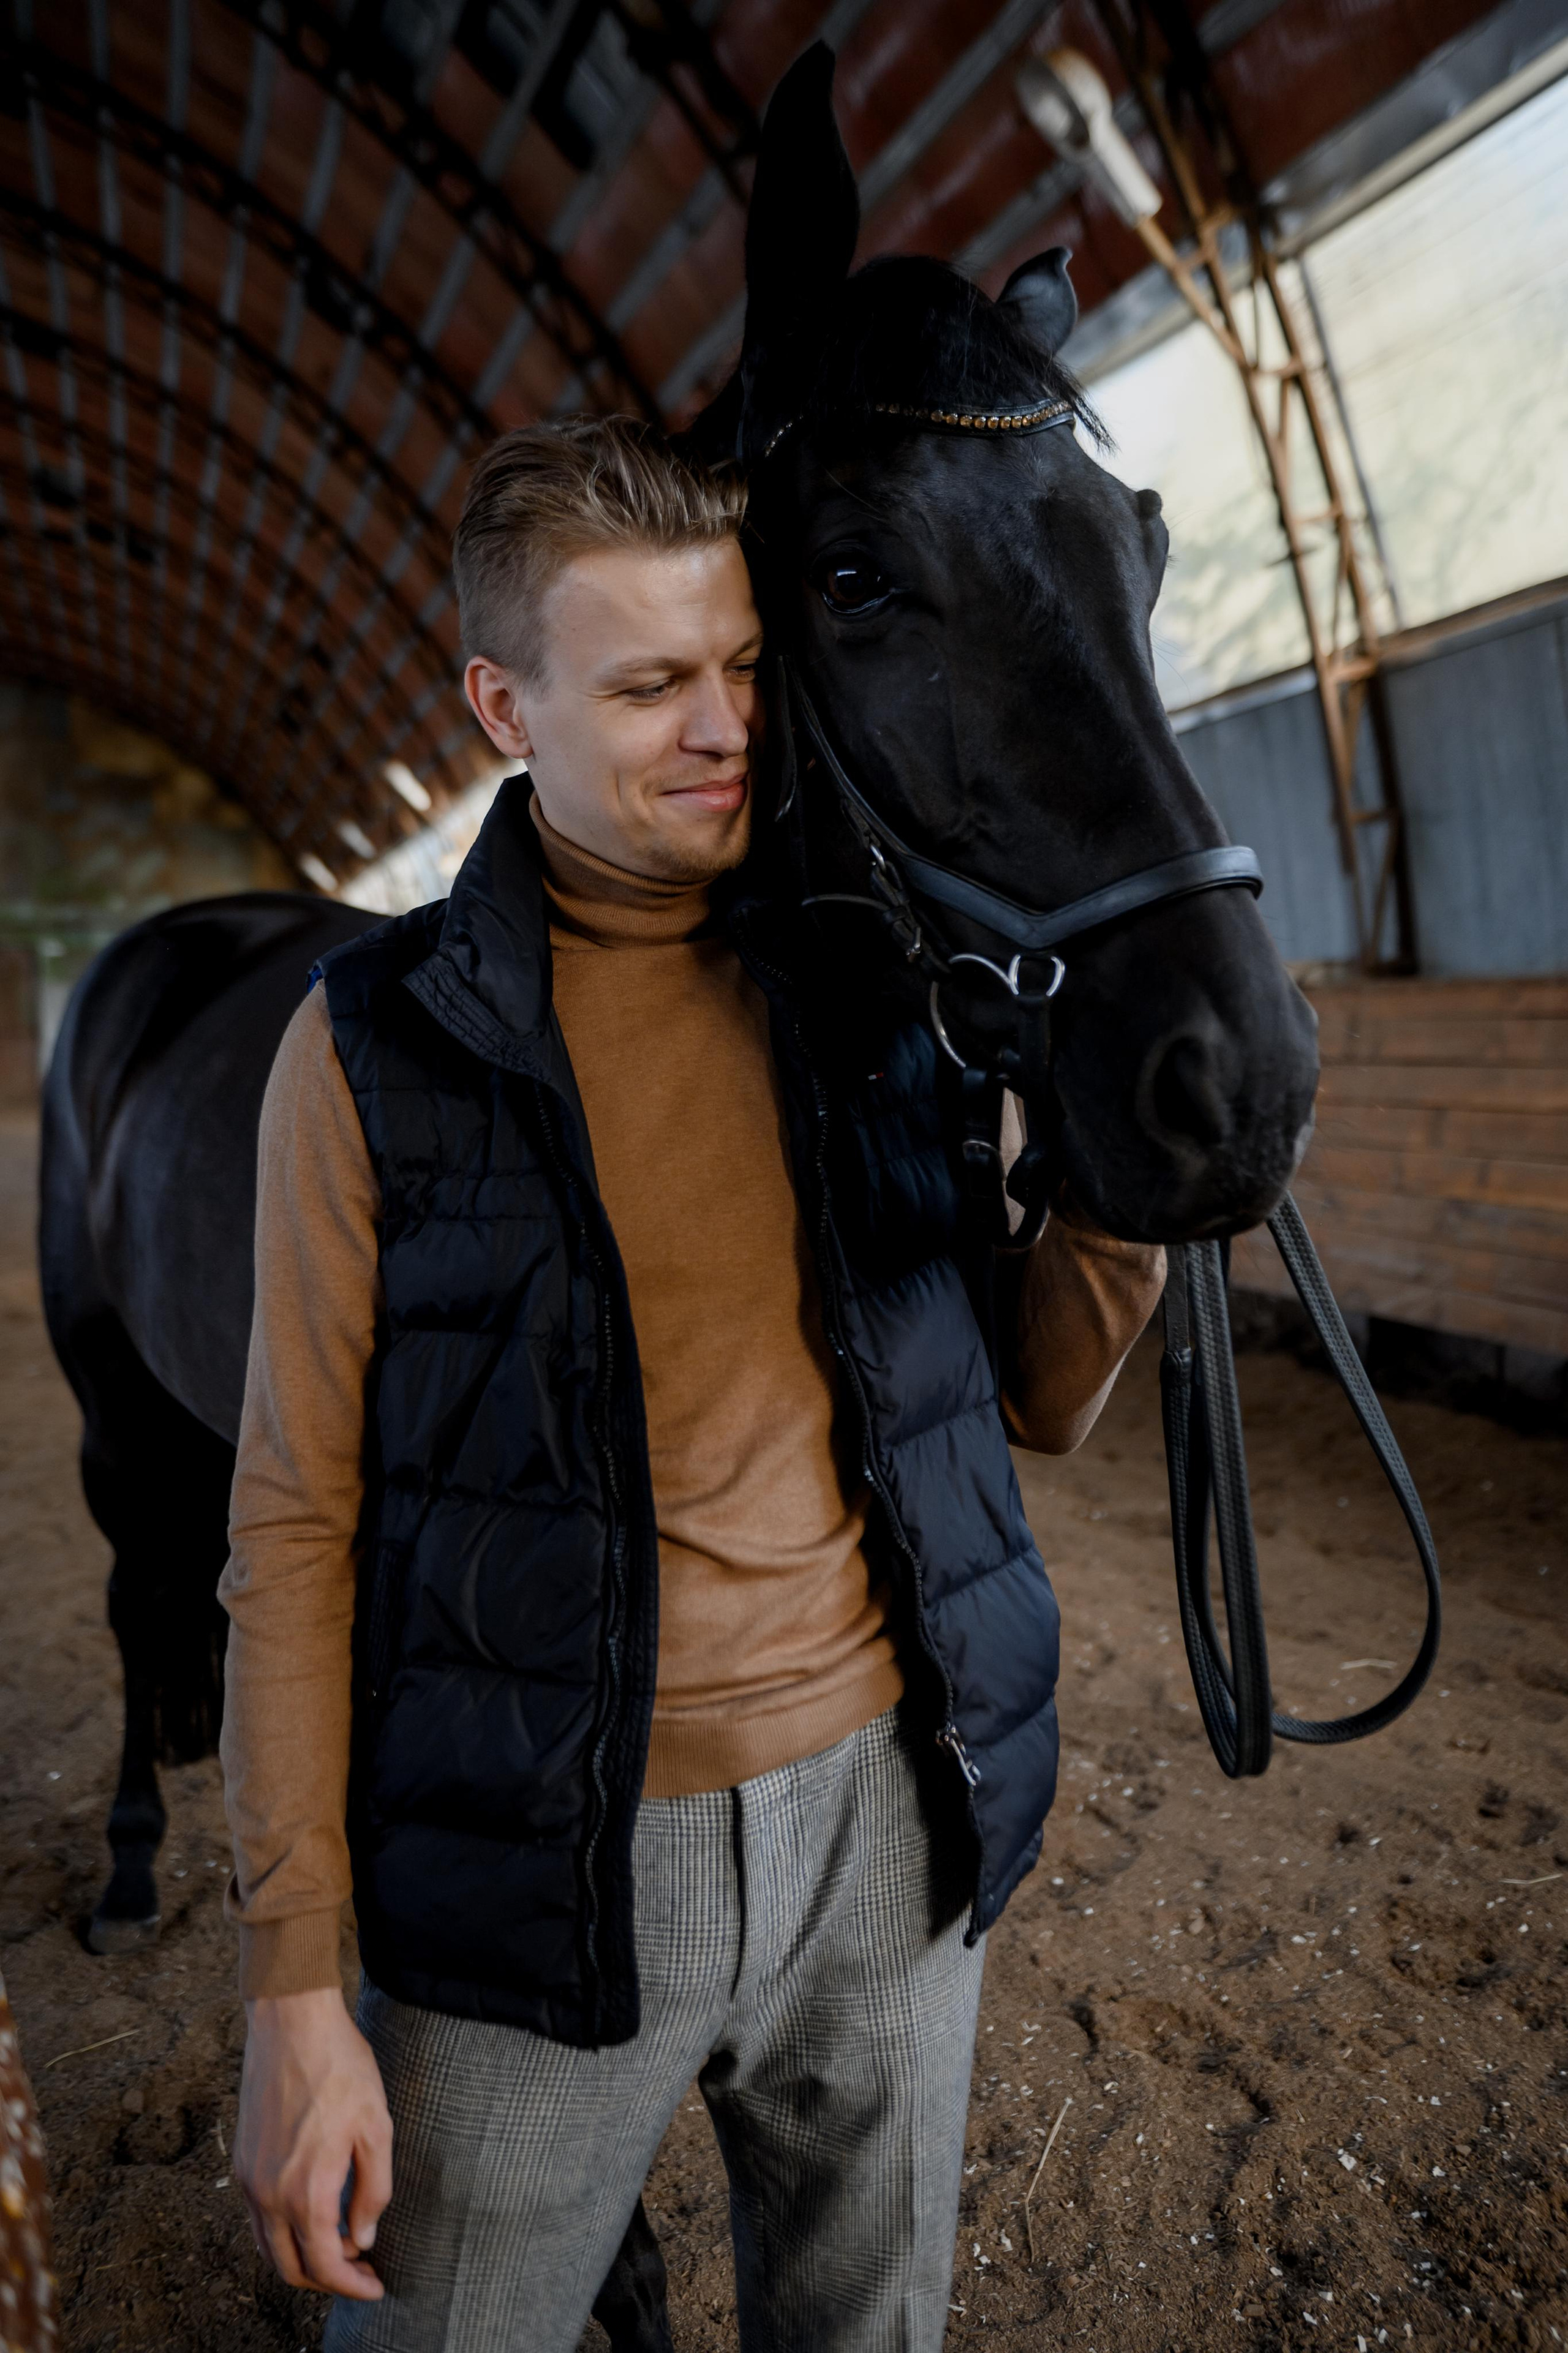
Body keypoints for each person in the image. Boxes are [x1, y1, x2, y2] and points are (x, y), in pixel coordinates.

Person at [220, 415, 1164, 2352]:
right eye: (652, 683)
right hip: (549, 1859)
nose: (727, 724)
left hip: (895, 1817)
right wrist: (297, 1993)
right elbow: (295, 1525)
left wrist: (1122, 1186)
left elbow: (1030, 1400)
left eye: (743, 666)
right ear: (505, 703)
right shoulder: (373, 1051)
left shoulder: (870, 982)